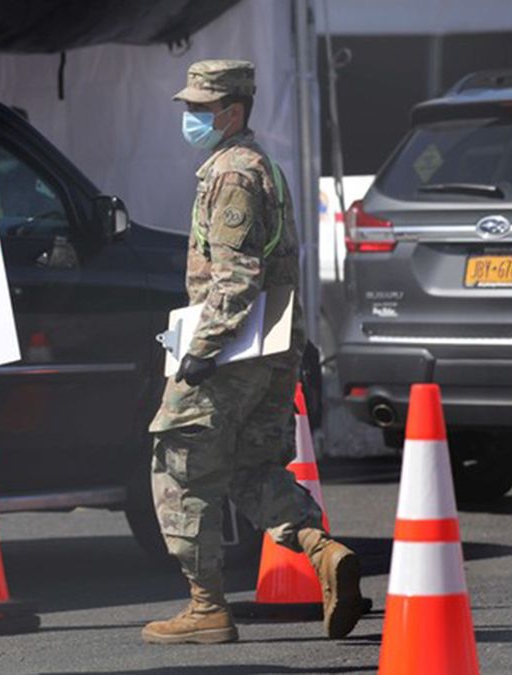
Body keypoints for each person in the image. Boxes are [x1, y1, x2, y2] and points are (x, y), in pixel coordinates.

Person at [142, 60, 363, 645]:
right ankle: (322, 550)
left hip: (235, 351)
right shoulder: (255, 164)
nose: (190, 117)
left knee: (180, 468)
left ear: (231, 112)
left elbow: (236, 278)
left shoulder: (233, 174)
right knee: (250, 470)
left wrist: (202, 352)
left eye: (199, 108)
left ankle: (206, 607)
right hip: (272, 347)